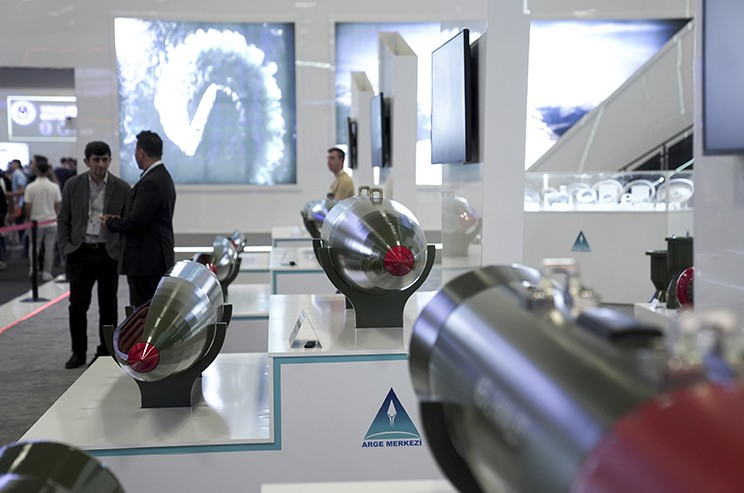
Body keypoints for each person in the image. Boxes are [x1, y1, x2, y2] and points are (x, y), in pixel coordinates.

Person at [58, 141, 131, 369]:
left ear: (110, 160)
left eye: (104, 159)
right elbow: (63, 218)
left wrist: (120, 249)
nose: (100, 164)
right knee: (77, 305)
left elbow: (127, 223)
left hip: (107, 253)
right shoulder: (73, 185)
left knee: (108, 305)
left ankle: (106, 352)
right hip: (80, 252)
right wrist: (66, 247)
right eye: (96, 160)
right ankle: (78, 352)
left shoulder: (122, 188)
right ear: (86, 161)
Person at [103, 130, 176, 308]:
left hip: (146, 262)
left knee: (144, 311)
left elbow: (136, 221)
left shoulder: (151, 181)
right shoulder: (161, 176)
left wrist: (111, 223)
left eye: (135, 151)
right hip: (152, 259)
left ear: (141, 153)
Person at [23, 156, 61, 282]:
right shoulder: (54, 186)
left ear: (36, 170)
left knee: (34, 247)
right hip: (51, 221)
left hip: (36, 221)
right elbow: (58, 205)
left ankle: (33, 269)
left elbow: (27, 206)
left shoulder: (30, 187)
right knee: (49, 248)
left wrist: (28, 218)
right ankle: (47, 272)